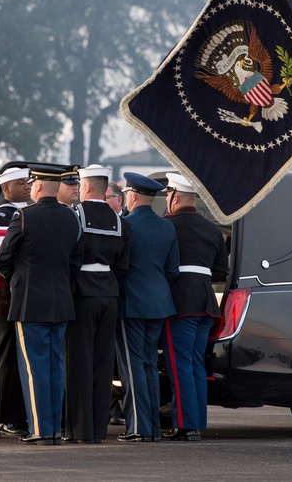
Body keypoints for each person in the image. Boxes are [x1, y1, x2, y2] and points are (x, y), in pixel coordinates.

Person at [0, 164, 82, 445]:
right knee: (55, 367)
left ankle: (40, 430)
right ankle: (54, 429)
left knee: (34, 369)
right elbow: (75, 261)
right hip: (61, 301)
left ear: (40, 187)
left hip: (30, 301)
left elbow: (4, 258)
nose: (30, 188)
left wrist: (14, 280)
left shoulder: (24, 216)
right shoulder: (71, 218)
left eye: (32, 184)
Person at [159, 173, 227, 441]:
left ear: (175, 197)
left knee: (180, 365)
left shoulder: (167, 225)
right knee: (196, 364)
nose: (167, 199)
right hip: (206, 302)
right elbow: (221, 270)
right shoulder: (212, 228)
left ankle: (185, 425)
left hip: (181, 302)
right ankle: (197, 423)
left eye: (167, 195)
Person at [65, 164, 129, 444]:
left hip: (83, 293)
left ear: (87, 187)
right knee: (103, 364)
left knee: (79, 362)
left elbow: (69, 258)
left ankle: (79, 430)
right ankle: (98, 429)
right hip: (110, 294)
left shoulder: (75, 216)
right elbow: (123, 266)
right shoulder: (120, 222)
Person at [116, 172, 179, 443]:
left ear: (131, 196)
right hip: (158, 303)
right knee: (149, 364)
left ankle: (138, 427)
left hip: (131, 303)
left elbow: (118, 266)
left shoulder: (125, 225)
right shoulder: (167, 227)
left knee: (132, 366)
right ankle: (151, 427)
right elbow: (172, 270)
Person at [0, 166, 30, 435]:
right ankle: (6, 415)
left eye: (28, 182)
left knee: (24, 356)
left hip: (26, 293)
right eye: (20, 183)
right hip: (7, 291)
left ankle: (24, 412)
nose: (27, 186)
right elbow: (1, 255)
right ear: (6, 189)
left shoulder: (30, 211)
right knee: (7, 354)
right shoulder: (1, 215)